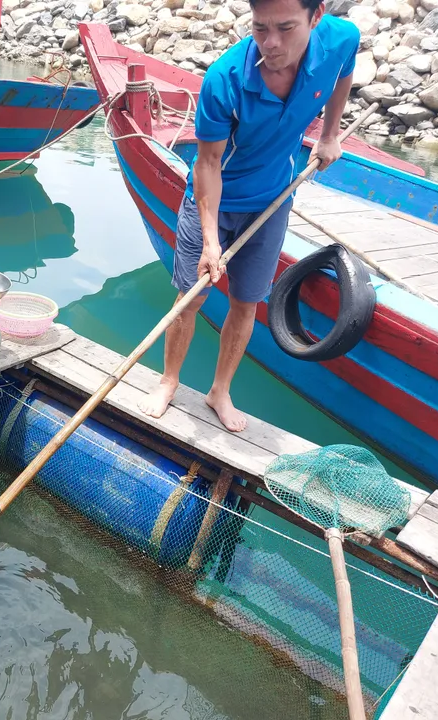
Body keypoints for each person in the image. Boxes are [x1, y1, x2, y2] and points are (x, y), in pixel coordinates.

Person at [140, 0, 359, 432]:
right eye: (260, 28)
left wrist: (330, 135)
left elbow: (343, 72)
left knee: (246, 302)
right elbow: (207, 165)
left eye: (286, 28)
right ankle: (168, 379)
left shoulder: (341, 38)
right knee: (191, 298)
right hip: (214, 202)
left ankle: (219, 390)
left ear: (316, 18)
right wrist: (209, 240)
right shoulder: (226, 80)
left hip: (273, 202)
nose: (271, 43)